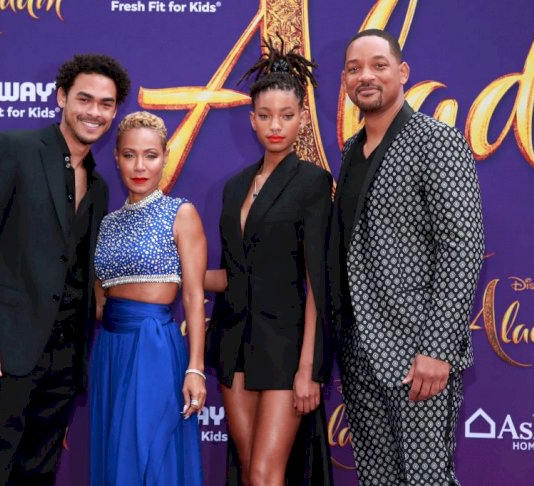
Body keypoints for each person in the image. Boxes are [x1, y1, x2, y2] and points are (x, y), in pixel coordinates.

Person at [0, 53, 130, 485]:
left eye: (106, 104)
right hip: (7, 348)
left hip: (65, 357)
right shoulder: (13, 149)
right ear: (61, 97)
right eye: (85, 99)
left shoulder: (101, 184)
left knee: (39, 473)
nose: (94, 111)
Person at [329, 29, 484, 485]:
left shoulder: (435, 141)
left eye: (378, 65)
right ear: (344, 81)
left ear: (402, 72)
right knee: (378, 478)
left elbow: (462, 247)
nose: (366, 76)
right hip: (359, 351)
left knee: (425, 479)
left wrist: (437, 349)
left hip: (418, 353)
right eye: (355, 69)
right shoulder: (351, 151)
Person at [205, 38, 334, 486]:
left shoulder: (313, 183)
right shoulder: (233, 186)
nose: (275, 126)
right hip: (232, 343)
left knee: (265, 474)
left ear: (302, 118)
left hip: (285, 349)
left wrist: (309, 369)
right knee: (248, 472)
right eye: (265, 116)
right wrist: (177, 276)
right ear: (251, 120)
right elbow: (232, 274)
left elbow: (317, 280)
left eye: (286, 115)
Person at [90, 111, 207, 485]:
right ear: (116, 158)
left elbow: (193, 294)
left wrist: (195, 367)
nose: (140, 166)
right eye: (129, 155)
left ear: (165, 156)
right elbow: (98, 296)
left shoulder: (181, 213)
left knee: (151, 454)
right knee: (116, 458)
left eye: (150, 155)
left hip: (154, 346)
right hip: (110, 349)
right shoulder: (106, 223)